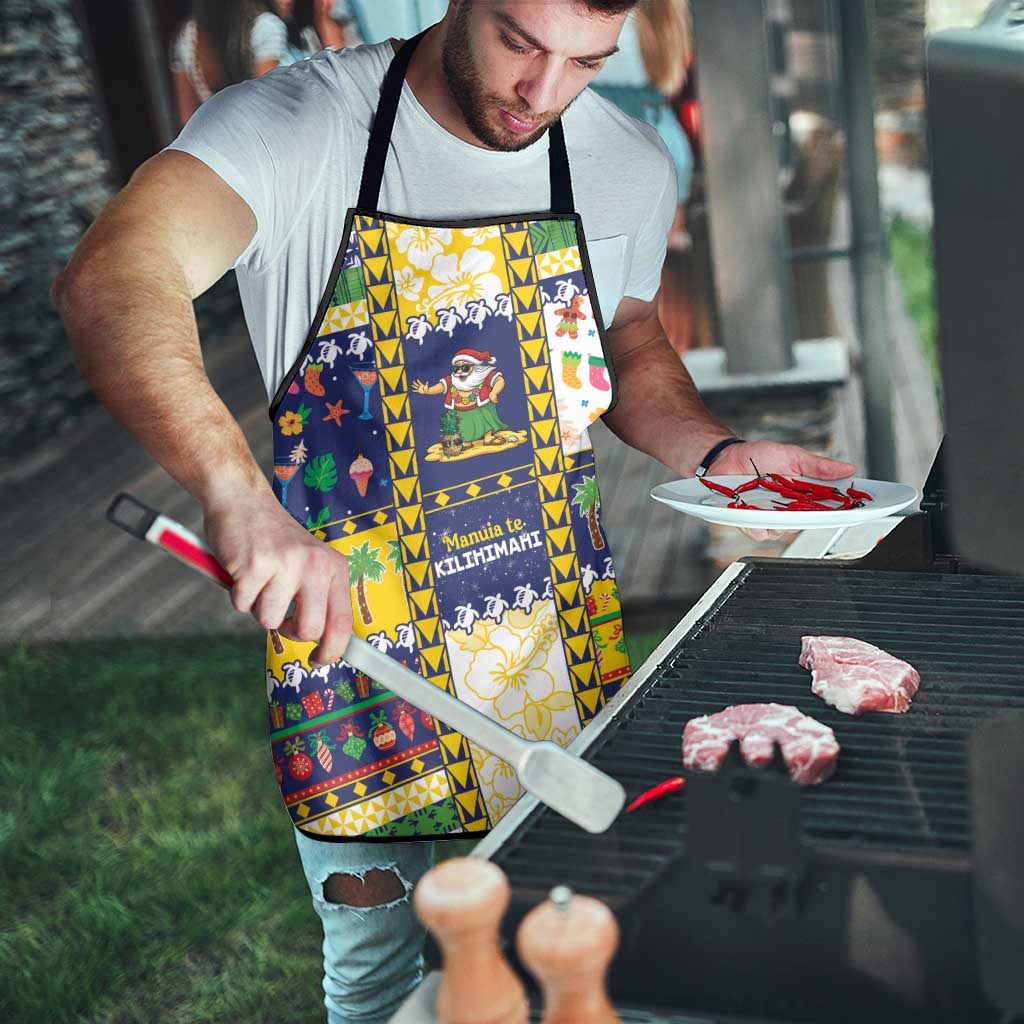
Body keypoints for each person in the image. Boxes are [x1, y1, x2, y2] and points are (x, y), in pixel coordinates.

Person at [53, 2, 856, 1020]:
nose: (543, 93)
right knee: (380, 976)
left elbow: (629, 335)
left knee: (566, 953)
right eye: (521, 42)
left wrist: (717, 449)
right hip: (356, 650)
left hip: (549, 639)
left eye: (585, 62)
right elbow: (113, 275)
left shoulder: (623, 160)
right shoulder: (299, 125)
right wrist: (237, 497)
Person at [170, 0, 289, 126]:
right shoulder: (266, 27)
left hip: (215, 139)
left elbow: (188, 121)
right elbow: (266, 107)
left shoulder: (188, 37)